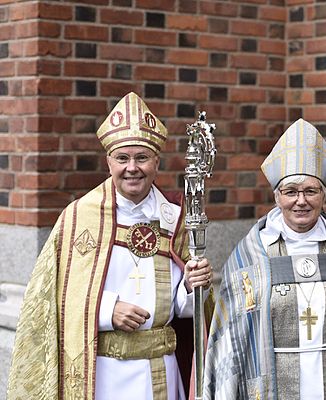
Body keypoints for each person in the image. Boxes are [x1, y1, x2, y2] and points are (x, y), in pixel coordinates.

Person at [7, 92, 212, 400]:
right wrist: (107, 309)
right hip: (103, 374)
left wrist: (195, 287)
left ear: (157, 161)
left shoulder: (175, 217)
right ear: (109, 162)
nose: (132, 168)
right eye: (123, 158)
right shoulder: (79, 217)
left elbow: (186, 312)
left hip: (161, 370)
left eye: (142, 158)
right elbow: (52, 299)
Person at [201, 118, 326, 399]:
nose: (301, 201)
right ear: (276, 197)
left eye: (311, 191)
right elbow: (232, 336)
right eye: (290, 192)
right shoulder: (252, 255)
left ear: (324, 195)